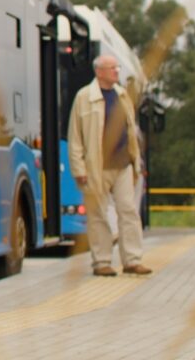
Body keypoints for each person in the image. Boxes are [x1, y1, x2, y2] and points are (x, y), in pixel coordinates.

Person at [68, 55, 151, 277]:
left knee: (129, 211)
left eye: (117, 67)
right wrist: (79, 169)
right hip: (96, 167)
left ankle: (133, 260)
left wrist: (136, 161)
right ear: (99, 72)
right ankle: (102, 262)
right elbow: (75, 137)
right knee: (98, 215)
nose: (116, 71)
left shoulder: (122, 95)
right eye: (112, 68)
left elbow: (131, 131)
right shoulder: (84, 97)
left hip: (123, 164)